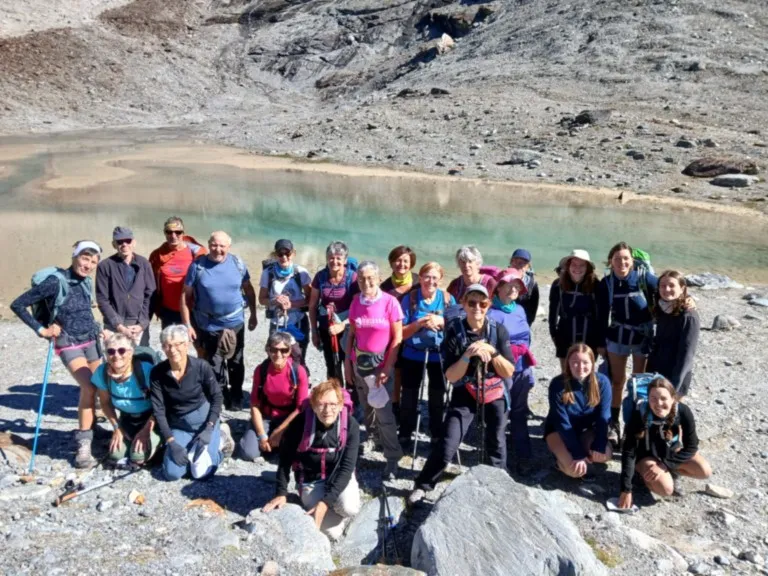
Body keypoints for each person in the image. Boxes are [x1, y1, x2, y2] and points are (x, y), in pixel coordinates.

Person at [409, 284, 516, 505]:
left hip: (493, 390)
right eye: (472, 303)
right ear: (464, 305)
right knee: (448, 442)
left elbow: (508, 370)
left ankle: (499, 486)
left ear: (488, 305)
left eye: (483, 303)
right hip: (465, 391)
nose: (477, 307)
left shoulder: (498, 331)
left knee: (496, 440)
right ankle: (423, 484)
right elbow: (451, 376)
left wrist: (492, 352)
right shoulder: (454, 332)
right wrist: (467, 355)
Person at [11, 240, 104, 468]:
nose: (88, 265)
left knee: (102, 386)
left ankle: (91, 428)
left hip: (91, 340)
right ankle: (83, 445)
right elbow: (18, 305)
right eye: (85, 259)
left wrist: (99, 331)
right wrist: (41, 329)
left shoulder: (85, 282)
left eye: (93, 262)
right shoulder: (55, 281)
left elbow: (85, 311)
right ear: (75, 257)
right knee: (88, 387)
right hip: (69, 342)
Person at [263, 379, 361, 541]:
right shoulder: (300, 424)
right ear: (313, 406)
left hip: (337, 475)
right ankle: (318, 504)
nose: (327, 410)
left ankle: (329, 505)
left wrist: (325, 503)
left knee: (350, 508)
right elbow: (285, 460)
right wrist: (281, 492)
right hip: (311, 480)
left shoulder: (350, 426)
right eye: (321, 404)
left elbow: (347, 467)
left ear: (341, 404)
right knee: (332, 533)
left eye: (333, 404)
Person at [181, 231, 258, 411]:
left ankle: (237, 396)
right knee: (214, 363)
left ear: (228, 246)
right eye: (214, 245)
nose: (218, 249)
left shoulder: (238, 264)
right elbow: (186, 296)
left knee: (236, 362)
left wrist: (254, 314)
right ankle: (220, 396)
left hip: (235, 323)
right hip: (208, 325)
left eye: (222, 246)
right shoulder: (198, 267)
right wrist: (187, 324)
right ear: (208, 244)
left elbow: (249, 289)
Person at [345, 261, 404, 479]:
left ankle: (392, 457)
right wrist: (347, 365)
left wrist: (387, 368)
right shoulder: (355, 303)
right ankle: (371, 438)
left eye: (370, 278)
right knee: (366, 408)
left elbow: (397, 337)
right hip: (359, 364)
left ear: (379, 279)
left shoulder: (390, 303)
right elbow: (351, 335)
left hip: (380, 367)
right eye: (361, 279)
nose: (366, 282)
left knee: (384, 413)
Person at [150, 325, 232, 481]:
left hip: (205, 424)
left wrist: (209, 427)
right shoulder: (157, 373)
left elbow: (217, 397)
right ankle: (194, 448)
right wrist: (171, 442)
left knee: (200, 473)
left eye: (178, 344)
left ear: (186, 344)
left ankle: (220, 442)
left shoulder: (201, 366)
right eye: (168, 345)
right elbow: (159, 410)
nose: (173, 349)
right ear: (163, 347)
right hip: (180, 427)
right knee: (172, 474)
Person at [596, 242, 659, 444]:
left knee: (638, 382)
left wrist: (687, 301)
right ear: (610, 262)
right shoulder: (606, 284)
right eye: (617, 259)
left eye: (625, 258)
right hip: (617, 336)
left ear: (632, 261)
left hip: (642, 338)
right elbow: (601, 316)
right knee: (617, 381)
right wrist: (600, 342)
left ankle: (636, 425)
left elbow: (667, 292)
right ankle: (613, 424)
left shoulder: (643, 278)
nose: (621, 262)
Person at [618, 377, 711, 509]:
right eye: (653, 398)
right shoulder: (639, 413)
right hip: (646, 457)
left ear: (673, 398)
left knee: (704, 471)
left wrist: (664, 465)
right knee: (666, 490)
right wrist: (626, 489)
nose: (658, 403)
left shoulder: (683, 411)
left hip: (669, 453)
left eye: (663, 398)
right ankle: (642, 475)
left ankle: (669, 471)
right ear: (648, 399)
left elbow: (691, 446)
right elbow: (629, 451)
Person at [398, 262, 456, 448]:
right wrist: (420, 324)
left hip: (438, 355)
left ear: (440, 280)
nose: (430, 281)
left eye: (434, 278)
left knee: (437, 396)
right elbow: (401, 332)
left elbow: (456, 329)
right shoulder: (410, 299)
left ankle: (436, 433)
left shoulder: (448, 299)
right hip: (412, 354)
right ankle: (405, 433)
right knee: (409, 395)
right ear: (420, 278)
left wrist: (442, 321)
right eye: (426, 277)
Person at [487, 268, 536, 475]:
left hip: (522, 368)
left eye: (517, 285)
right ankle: (498, 464)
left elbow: (527, 338)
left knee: (519, 412)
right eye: (509, 285)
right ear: (498, 287)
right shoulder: (489, 313)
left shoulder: (519, 310)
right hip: (501, 371)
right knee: (500, 416)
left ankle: (523, 456)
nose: (513, 289)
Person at [91, 333, 161, 466]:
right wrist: (117, 427)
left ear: (131, 352)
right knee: (116, 454)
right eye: (111, 351)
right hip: (127, 419)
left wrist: (146, 430)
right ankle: (133, 438)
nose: (116, 355)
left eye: (122, 350)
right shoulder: (102, 373)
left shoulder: (146, 371)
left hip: (152, 419)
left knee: (138, 457)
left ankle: (159, 439)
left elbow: (160, 405)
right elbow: (105, 403)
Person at [545, 344, 612, 478]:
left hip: (585, 431)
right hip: (559, 431)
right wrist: (577, 453)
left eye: (585, 362)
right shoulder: (558, 384)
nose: (580, 367)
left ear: (592, 363)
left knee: (605, 454)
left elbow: (604, 415)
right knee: (574, 471)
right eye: (575, 362)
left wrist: (599, 443)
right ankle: (560, 461)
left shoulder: (602, 382)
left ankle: (584, 452)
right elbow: (562, 423)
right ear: (568, 363)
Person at [239, 332, 309, 461]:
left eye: (284, 350)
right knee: (248, 453)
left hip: (289, 418)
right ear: (268, 350)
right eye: (274, 350)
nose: (278, 355)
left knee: (292, 451)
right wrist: (261, 435)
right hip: (266, 415)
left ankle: (274, 441)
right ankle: (266, 438)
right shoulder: (261, 370)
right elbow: (255, 404)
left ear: (289, 351)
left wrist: (280, 431)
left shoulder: (298, 372)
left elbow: (301, 407)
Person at [96, 226, 156, 347]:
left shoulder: (144, 263)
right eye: (119, 241)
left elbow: (150, 295)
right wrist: (119, 325)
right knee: (115, 360)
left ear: (133, 242)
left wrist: (142, 324)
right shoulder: (105, 266)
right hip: (114, 326)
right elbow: (102, 299)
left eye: (127, 240)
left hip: (138, 326)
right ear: (114, 244)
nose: (124, 244)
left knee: (141, 361)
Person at [308, 241, 359, 381]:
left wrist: (343, 325)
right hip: (326, 327)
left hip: (348, 328)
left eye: (338, 258)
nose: (334, 261)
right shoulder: (320, 277)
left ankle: (350, 398)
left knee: (349, 361)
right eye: (331, 257)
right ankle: (334, 397)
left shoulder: (353, 278)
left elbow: (358, 309)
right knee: (331, 364)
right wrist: (314, 331)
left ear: (345, 260)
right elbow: (312, 306)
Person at [646, 271, 700, 400]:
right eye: (663, 286)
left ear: (682, 288)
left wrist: (675, 386)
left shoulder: (688, 316)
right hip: (656, 370)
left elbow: (687, 354)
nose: (666, 289)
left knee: (671, 415)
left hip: (675, 374)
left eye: (671, 285)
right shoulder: (662, 308)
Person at [379, 245, 418, 420]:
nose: (401, 264)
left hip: (415, 335)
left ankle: (410, 405)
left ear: (412, 264)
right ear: (391, 262)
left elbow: (434, 293)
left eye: (406, 261)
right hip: (392, 335)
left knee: (410, 372)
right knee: (396, 369)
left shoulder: (418, 281)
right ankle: (395, 404)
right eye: (398, 260)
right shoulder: (385, 287)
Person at [148, 216, 207, 328]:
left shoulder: (198, 254)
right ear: (164, 233)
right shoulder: (157, 255)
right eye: (169, 232)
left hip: (194, 309)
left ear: (183, 233)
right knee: (171, 343)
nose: (173, 236)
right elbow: (150, 282)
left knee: (198, 344)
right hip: (168, 310)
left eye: (178, 232)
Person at [258, 239, 312, 361]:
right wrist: (274, 301)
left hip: (298, 322)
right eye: (280, 254)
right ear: (275, 254)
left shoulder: (301, 273)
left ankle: (298, 379)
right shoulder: (268, 273)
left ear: (293, 254)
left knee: (298, 357)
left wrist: (291, 304)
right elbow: (261, 299)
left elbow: (311, 299)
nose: (284, 257)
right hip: (277, 323)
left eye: (287, 254)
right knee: (276, 358)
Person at [548, 249, 600, 373]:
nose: (578, 268)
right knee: (567, 374)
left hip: (589, 336)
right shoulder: (558, 285)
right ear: (568, 265)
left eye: (582, 265)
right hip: (565, 334)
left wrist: (600, 341)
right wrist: (554, 335)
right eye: (574, 264)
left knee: (586, 373)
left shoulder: (595, 285)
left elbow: (601, 315)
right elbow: (553, 313)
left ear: (588, 268)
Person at [508, 248, 540, 327]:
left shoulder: (532, 285)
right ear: (511, 262)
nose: (519, 266)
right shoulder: (501, 280)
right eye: (516, 262)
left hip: (521, 323)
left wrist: (525, 326)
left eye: (523, 263)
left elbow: (532, 311)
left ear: (527, 267)